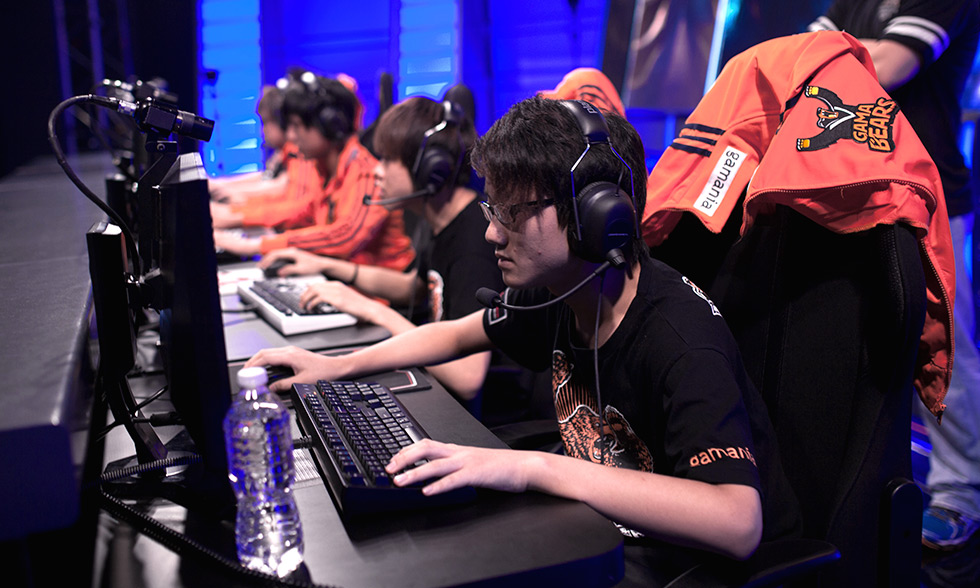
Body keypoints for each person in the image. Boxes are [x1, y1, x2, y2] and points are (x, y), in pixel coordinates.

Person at [245, 96, 801, 585]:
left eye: (511, 212)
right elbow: (454, 334)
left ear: (594, 216)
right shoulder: (563, 289)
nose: (491, 232)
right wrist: (335, 366)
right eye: (493, 208)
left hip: (689, 568)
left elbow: (737, 522)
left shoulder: (680, 339)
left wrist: (536, 468)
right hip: (607, 535)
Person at [810, 0, 980, 553]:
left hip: (931, 193)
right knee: (856, 336)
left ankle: (960, 492)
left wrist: (825, 61)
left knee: (945, 343)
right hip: (858, 188)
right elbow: (801, 56)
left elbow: (889, 63)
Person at [256, 95, 504, 408]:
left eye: (387, 160)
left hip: (483, 416)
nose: (376, 170)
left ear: (430, 169)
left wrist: (375, 311)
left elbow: (467, 377)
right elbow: (417, 286)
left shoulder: (473, 243)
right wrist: (329, 268)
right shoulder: (439, 219)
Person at [212, 72, 415, 272]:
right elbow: (302, 210)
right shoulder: (323, 169)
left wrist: (253, 245)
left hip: (382, 288)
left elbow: (344, 237)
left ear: (330, 126)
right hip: (338, 281)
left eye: (297, 126)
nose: (291, 136)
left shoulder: (365, 173)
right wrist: (236, 214)